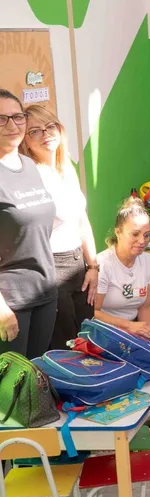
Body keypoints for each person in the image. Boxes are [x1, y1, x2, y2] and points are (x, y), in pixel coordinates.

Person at [20, 104, 98, 350]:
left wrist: (93, 266)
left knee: (87, 338)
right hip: (52, 267)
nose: (45, 134)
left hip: (80, 264)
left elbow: (82, 220)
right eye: (35, 131)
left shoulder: (66, 169)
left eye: (49, 127)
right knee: (63, 344)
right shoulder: (31, 175)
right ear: (25, 141)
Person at [0, 90, 56, 358]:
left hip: (44, 291)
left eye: (18, 117)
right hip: (10, 301)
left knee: (35, 379)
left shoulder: (29, 165)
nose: (12, 126)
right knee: (11, 389)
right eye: (2, 119)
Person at [93, 199, 150, 354]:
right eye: (135, 234)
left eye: (147, 235)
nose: (142, 241)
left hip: (136, 323)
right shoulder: (103, 263)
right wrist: (129, 326)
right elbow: (93, 312)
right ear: (118, 232)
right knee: (128, 353)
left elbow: (146, 307)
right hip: (106, 328)